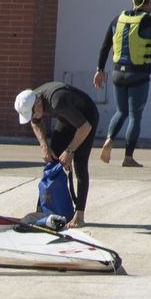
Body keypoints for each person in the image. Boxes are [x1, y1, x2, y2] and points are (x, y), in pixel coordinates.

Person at [94, 0, 151, 168]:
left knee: (121, 111)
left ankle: (109, 139)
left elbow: (104, 47)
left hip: (118, 73)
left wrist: (99, 70)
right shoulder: (149, 20)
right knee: (135, 115)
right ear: (148, 1)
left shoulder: (118, 18)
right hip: (138, 75)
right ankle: (128, 157)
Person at [15, 81, 100, 227]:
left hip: (86, 118)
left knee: (79, 164)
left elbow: (85, 127)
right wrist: (44, 145)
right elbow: (35, 122)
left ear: (38, 102)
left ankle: (79, 215)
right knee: (52, 161)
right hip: (66, 119)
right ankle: (42, 209)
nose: (34, 115)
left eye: (34, 112)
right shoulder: (32, 98)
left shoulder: (57, 101)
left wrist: (70, 150)